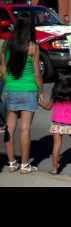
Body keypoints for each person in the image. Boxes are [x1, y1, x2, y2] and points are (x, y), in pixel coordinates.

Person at [1, 14, 44, 174]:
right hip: (28, 90)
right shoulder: (33, 47)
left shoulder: (6, 45)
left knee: (10, 127)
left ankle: (12, 163)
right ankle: (25, 165)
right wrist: (41, 90)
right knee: (25, 129)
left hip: (10, 89)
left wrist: (8, 84)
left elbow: (3, 69)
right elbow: (37, 74)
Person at [38, 74, 71, 176]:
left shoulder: (55, 94)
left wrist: (40, 103)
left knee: (57, 145)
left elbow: (48, 107)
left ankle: (54, 168)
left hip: (57, 123)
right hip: (70, 124)